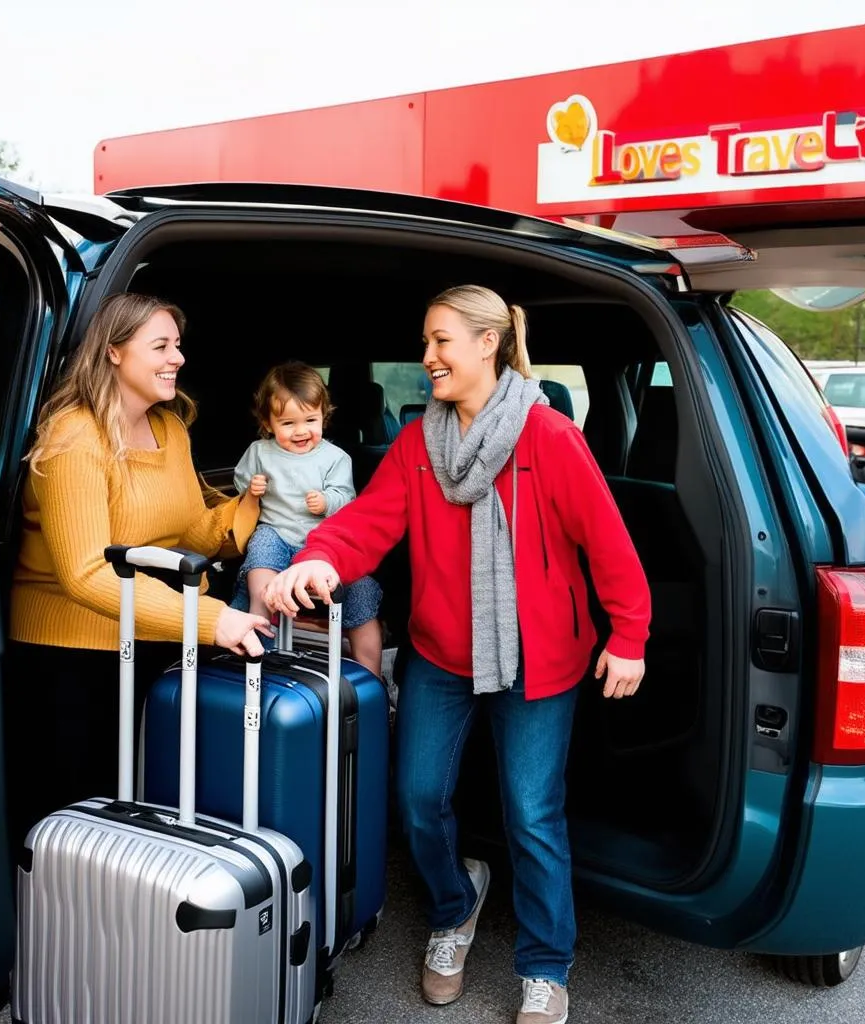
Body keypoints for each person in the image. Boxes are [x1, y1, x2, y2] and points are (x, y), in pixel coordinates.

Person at [264, 285, 651, 1024]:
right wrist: (319, 560)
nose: (428, 357)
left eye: (441, 341)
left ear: (488, 344)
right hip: (442, 653)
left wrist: (628, 636)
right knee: (416, 800)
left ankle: (544, 965)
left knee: (532, 814)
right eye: (425, 342)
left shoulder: (549, 439)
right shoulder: (419, 445)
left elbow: (609, 546)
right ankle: (455, 906)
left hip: (539, 661)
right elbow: (366, 525)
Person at [4, 292, 271, 856]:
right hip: (71, 655)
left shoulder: (170, 430)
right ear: (114, 353)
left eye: (177, 345)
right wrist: (211, 616)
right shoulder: (73, 437)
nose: (177, 357)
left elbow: (191, 531)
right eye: (160, 346)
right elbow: (85, 574)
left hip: (151, 640)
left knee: (140, 823)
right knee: (77, 825)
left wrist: (254, 507)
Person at [230, 361, 383, 676]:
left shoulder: (335, 458)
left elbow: (347, 501)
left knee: (362, 589)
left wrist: (327, 501)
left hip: (324, 547)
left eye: (310, 420)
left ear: (324, 416)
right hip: (278, 535)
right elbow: (240, 480)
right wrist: (252, 488)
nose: (301, 431)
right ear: (268, 422)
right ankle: (261, 621)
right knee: (262, 544)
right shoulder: (259, 452)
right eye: (288, 423)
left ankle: (372, 676)